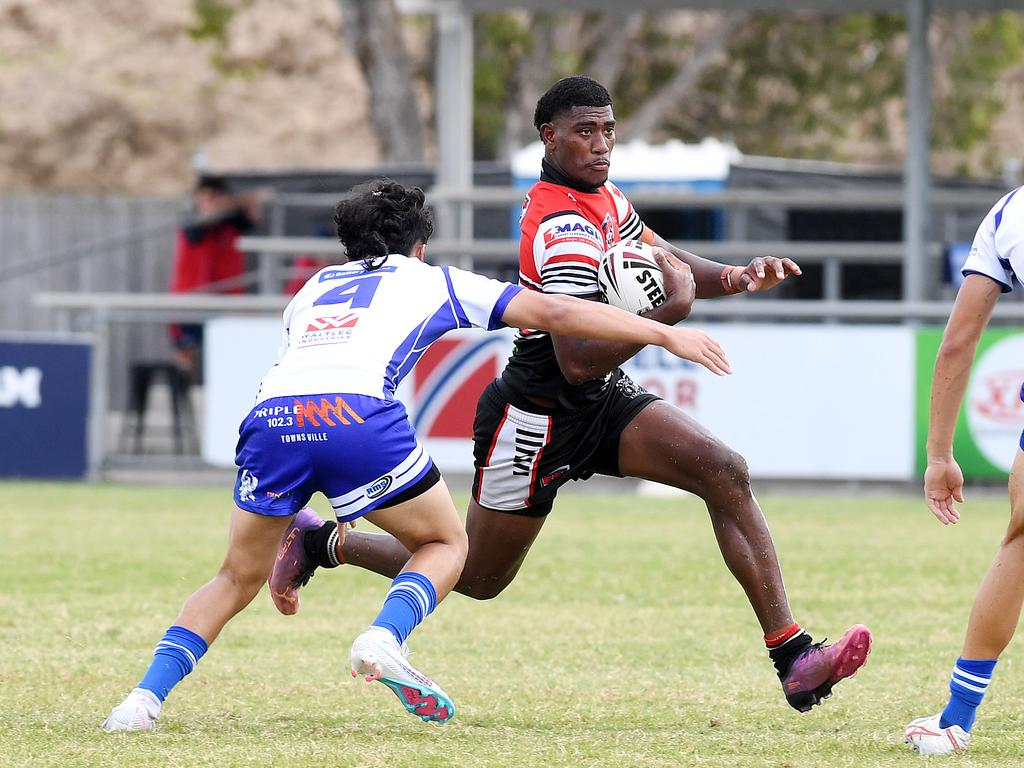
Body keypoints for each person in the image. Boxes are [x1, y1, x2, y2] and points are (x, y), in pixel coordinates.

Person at [269, 76, 871, 713]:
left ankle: (794, 656)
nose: (601, 143)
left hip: (600, 400)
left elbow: (663, 259)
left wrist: (736, 276)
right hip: (534, 416)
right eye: (585, 131)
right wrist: (671, 315)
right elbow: (575, 359)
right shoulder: (556, 223)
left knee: (724, 471)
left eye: (608, 130)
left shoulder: (603, 196)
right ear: (548, 136)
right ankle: (321, 542)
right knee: (477, 576)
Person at [101, 178, 732, 733]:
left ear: (348, 244)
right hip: (355, 418)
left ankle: (139, 703)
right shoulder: (434, 281)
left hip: (270, 421)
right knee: (446, 545)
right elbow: (556, 310)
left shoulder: (313, 288)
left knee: (234, 576)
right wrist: (663, 331)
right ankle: (383, 637)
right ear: (420, 245)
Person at [904, 185, 1024, 756]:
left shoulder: (1011, 213)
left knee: (1021, 543)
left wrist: (938, 454)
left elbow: (957, 343)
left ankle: (956, 719)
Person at [169, 175, 268, 377]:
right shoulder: (191, 220)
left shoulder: (231, 223)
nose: (210, 200)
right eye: (205, 195)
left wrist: (243, 204)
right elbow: (202, 222)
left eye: (215, 195)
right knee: (185, 358)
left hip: (227, 300)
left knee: (229, 360)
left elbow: (252, 217)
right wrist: (242, 200)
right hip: (190, 300)